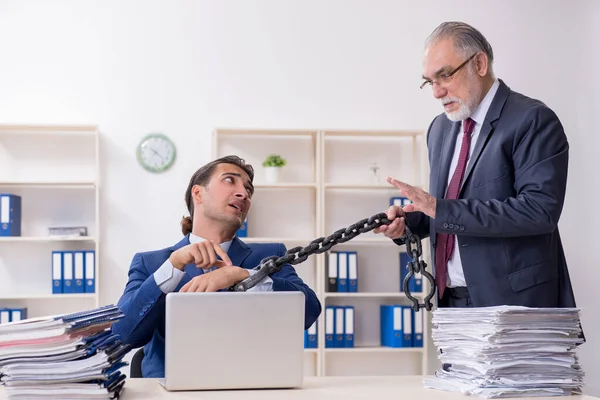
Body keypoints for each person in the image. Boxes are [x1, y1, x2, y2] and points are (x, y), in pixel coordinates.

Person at [375, 21, 577, 309]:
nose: (436, 92)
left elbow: (539, 211)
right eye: (429, 81)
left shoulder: (532, 120)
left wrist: (438, 208)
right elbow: (450, 210)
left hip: (514, 303)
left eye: (444, 76)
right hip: (452, 302)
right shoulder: (440, 129)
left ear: (479, 63)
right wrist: (409, 223)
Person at [112, 155, 322, 378]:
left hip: (251, 388)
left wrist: (244, 276)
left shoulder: (271, 255)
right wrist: (173, 267)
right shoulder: (150, 263)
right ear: (198, 193)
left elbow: (308, 312)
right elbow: (122, 335)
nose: (244, 194)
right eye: (230, 181)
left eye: (249, 190)